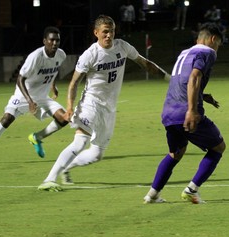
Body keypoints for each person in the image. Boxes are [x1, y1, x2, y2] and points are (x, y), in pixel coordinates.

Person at [38, 15, 170, 192]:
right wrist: (70, 107)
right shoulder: (90, 55)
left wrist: (170, 79)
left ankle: (67, 167)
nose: (109, 35)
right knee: (80, 142)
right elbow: (74, 82)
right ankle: (49, 179)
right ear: (96, 33)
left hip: (109, 109)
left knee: (96, 154)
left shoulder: (122, 46)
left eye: (112, 31)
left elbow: (144, 63)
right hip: (90, 104)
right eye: (105, 32)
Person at [143, 22, 226, 204]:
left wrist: (203, 96)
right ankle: (191, 190)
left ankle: (152, 195)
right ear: (212, 39)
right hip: (185, 112)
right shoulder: (207, 52)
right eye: (218, 43)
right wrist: (192, 110)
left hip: (168, 113)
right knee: (218, 147)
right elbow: (194, 77)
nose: (217, 48)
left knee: (176, 153)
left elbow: (181, 81)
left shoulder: (184, 54)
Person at [0, 26, 67, 158]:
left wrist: (52, 85)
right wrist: (29, 101)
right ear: (45, 41)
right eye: (52, 40)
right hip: (24, 94)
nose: (55, 43)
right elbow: (20, 79)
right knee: (7, 119)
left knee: (64, 118)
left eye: (57, 40)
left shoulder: (61, 55)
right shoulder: (36, 57)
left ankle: (36, 137)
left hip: (42, 97)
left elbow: (54, 69)